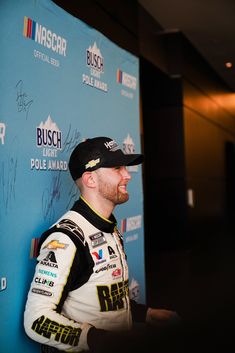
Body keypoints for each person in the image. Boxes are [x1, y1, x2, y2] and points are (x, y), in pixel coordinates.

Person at [24, 136, 180, 353]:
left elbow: (101, 299)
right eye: (117, 168)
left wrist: (147, 314)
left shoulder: (108, 227)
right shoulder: (66, 238)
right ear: (90, 180)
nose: (127, 175)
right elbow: (36, 319)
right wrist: (99, 340)